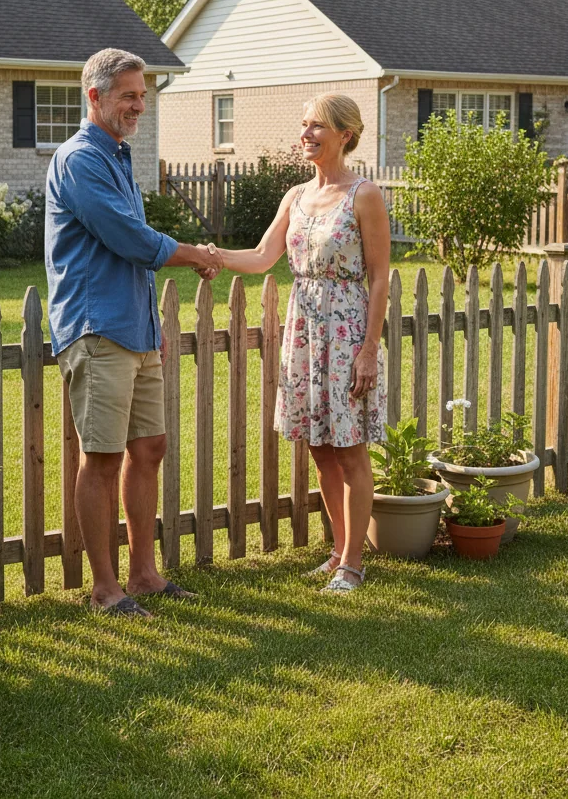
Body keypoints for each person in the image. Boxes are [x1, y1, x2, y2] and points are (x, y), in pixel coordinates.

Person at [45, 48, 223, 617]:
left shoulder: (118, 156)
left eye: (143, 96)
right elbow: (126, 238)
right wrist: (193, 252)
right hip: (97, 328)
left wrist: (151, 325)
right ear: (94, 97)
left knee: (149, 447)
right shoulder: (79, 160)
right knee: (101, 457)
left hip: (135, 328)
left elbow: (133, 246)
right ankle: (105, 589)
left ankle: (144, 575)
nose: (138, 106)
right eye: (128, 95)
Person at [209, 93, 389, 591]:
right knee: (319, 447)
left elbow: (379, 279)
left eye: (317, 127)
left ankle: (354, 563)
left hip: (347, 332)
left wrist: (369, 349)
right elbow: (264, 256)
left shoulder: (364, 195)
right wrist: (211, 256)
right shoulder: (295, 196)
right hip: (305, 332)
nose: (306, 134)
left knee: (349, 448)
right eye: (304, 125)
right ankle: (337, 551)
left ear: (345, 135)